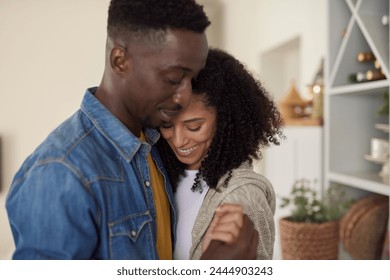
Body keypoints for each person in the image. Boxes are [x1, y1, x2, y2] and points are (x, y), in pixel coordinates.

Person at [6, 0, 257, 260]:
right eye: (173, 79)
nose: (184, 97)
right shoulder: (61, 173)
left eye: (191, 80)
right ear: (120, 61)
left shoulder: (152, 144)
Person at [157, 48, 284, 260]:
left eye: (194, 127)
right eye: (167, 125)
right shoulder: (159, 171)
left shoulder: (244, 198)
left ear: (225, 120)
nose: (178, 140)